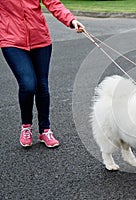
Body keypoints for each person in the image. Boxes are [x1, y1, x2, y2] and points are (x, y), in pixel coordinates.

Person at [0, 0, 85, 148]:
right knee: (28, 85)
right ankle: (26, 126)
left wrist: (71, 20)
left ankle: (45, 130)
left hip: (40, 39)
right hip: (12, 41)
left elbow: (53, 3)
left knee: (42, 86)